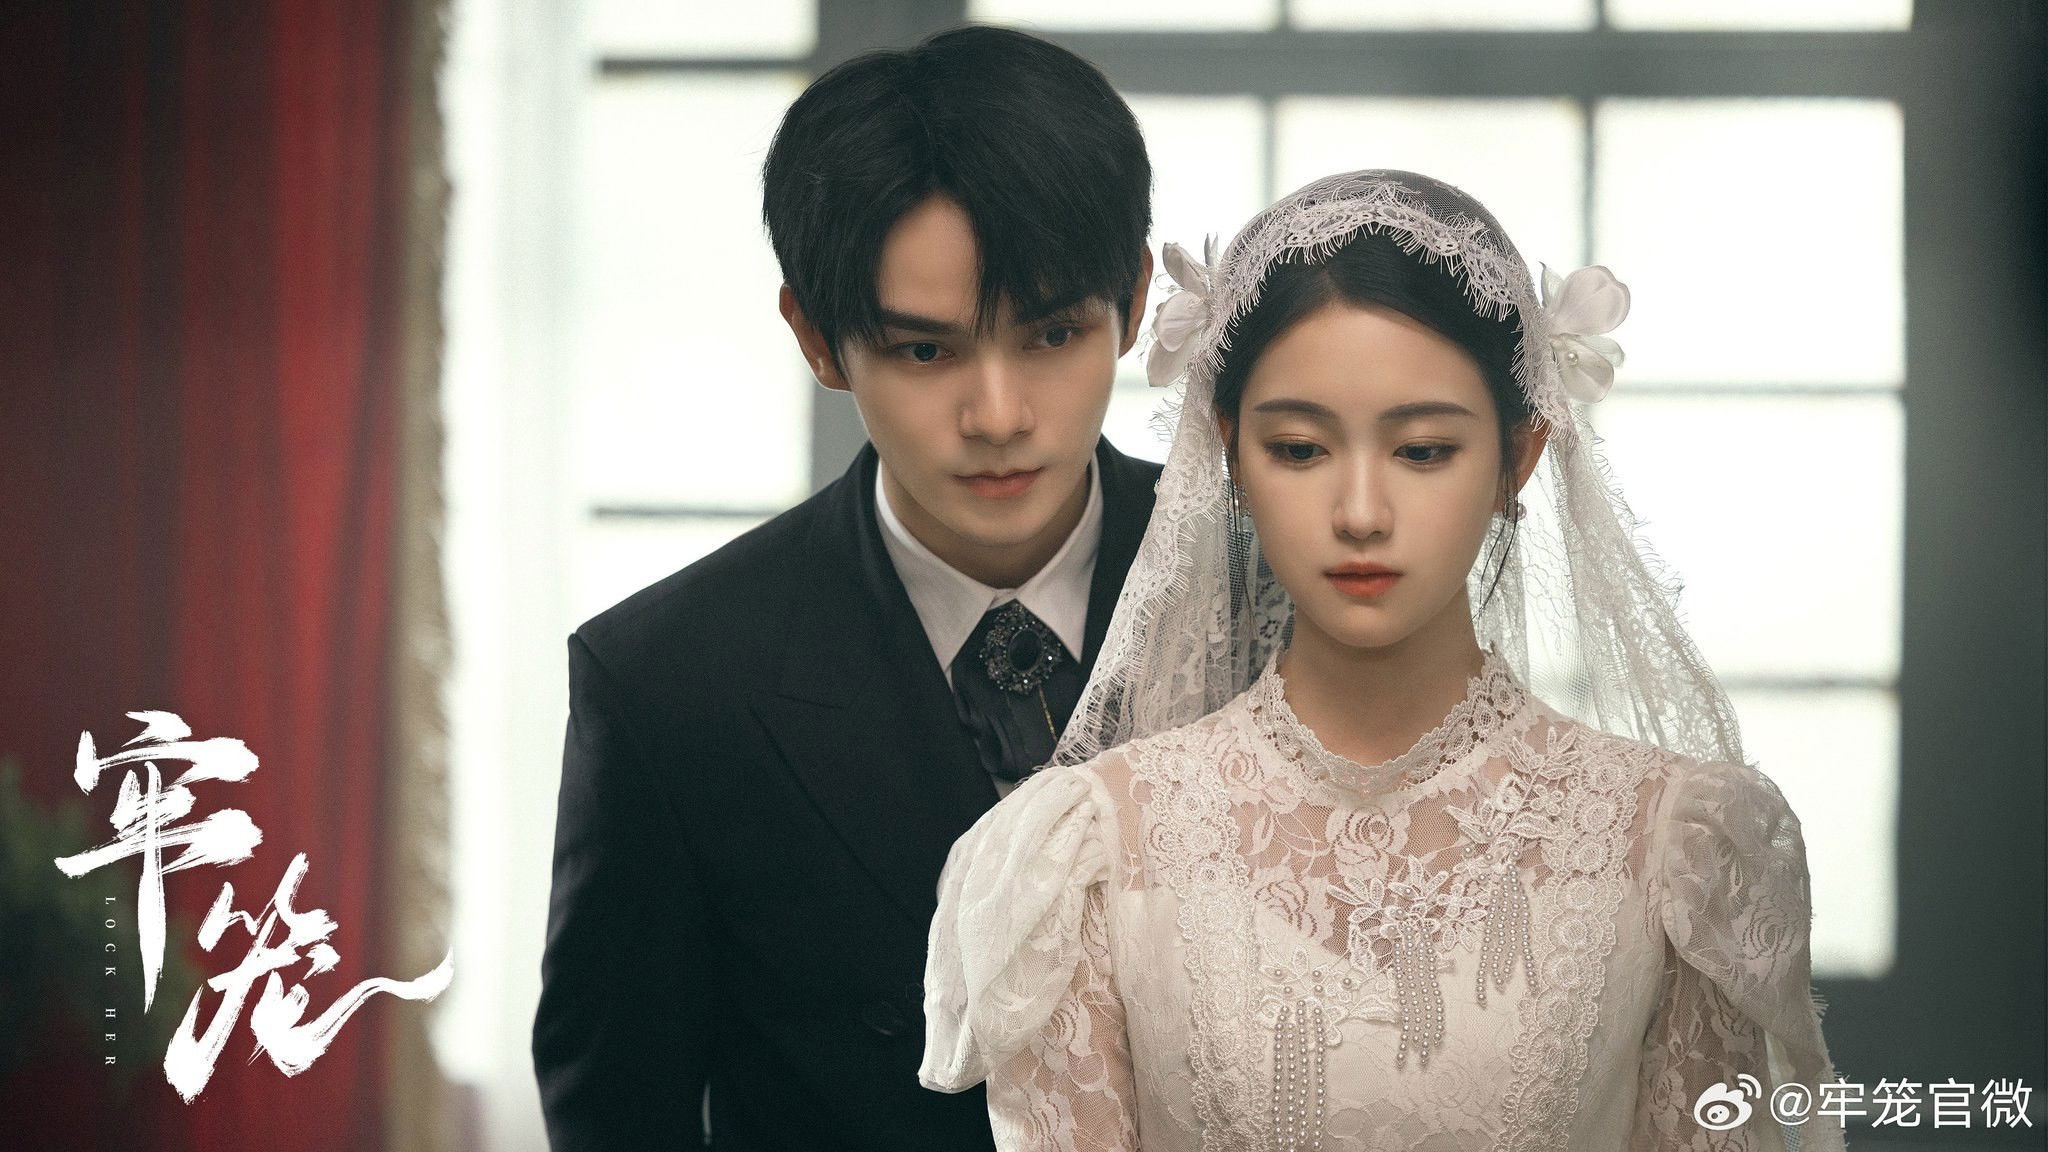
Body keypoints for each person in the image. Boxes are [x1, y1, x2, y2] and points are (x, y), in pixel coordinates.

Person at [921, 171, 1842, 1151]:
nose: (1360, 512)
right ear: (1231, 456)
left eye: (1422, 451)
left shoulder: (1665, 840)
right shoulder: (1095, 848)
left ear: (1519, 457)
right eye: (1299, 449)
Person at [533, 26, 1158, 1151]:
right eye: (925, 352)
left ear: (1137, 303)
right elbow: (620, 1112)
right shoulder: (667, 683)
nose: (999, 415)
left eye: (1054, 334)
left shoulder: (1279, 594)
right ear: (818, 340)